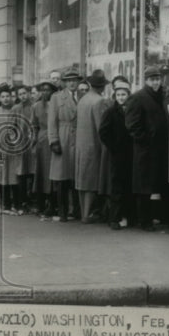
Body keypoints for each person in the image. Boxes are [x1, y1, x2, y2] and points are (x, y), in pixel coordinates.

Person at [124, 67, 169, 231]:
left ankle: (159, 216)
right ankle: (144, 220)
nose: (156, 82)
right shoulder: (138, 97)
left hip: (161, 149)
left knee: (157, 183)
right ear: (146, 81)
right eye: (152, 79)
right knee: (144, 187)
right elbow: (132, 124)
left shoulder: (161, 96)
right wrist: (145, 139)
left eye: (158, 79)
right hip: (146, 150)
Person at [75, 70, 111, 223]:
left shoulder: (83, 99)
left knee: (82, 179)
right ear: (102, 86)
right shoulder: (99, 101)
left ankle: (84, 212)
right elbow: (101, 128)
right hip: (94, 146)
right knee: (91, 180)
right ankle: (89, 214)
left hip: (81, 145)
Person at [99, 77, 134, 231]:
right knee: (117, 186)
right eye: (118, 95)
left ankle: (127, 216)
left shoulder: (132, 110)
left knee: (128, 185)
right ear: (115, 96)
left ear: (128, 95)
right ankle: (114, 218)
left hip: (131, 153)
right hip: (117, 154)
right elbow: (103, 132)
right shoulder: (110, 112)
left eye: (124, 95)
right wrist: (113, 147)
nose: (121, 98)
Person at [48, 68, 81, 221]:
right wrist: (53, 140)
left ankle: (76, 210)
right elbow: (52, 121)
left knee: (76, 175)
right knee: (61, 177)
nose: (72, 83)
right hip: (63, 136)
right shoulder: (56, 98)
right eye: (69, 80)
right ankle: (62, 211)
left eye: (74, 80)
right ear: (65, 83)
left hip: (79, 137)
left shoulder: (83, 96)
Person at [0, 84, 20, 214]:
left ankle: (17, 204)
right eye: (3, 97)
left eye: (7, 96)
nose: (6, 99)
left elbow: (21, 129)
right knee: (3, 177)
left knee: (15, 176)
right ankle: (6, 204)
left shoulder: (16, 111)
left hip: (15, 149)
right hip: (0, 150)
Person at [10, 84, 37, 214]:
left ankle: (33, 201)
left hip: (33, 144)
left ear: (29, 93)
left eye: (24, 93)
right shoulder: (15, 109)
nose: (23, 96)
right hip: (20, 145)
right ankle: (22, 202)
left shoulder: (34, 106)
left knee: (33, 174)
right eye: (20, 94)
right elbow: (11, 128)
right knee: (21, 175)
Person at [31, 81, 55, 219]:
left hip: (53, 140)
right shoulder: (36, 106)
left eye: (48, 90)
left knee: (51, 174)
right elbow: (34, 125)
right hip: (41, 141)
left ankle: (52, 203)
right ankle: (40, 203)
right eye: (42, 90)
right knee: (40, 174)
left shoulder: (55, 105)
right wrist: (34, 142)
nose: (45, 92)